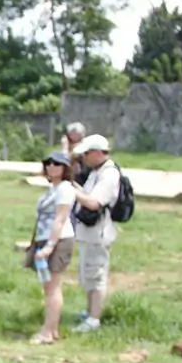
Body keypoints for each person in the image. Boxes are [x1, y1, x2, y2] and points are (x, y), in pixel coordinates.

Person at [70, 133, 121, 333]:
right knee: (87, 273)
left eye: (87, 154)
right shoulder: (96, 171)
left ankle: (94, 318)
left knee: (97, 273)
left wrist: (72, 191)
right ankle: (89, 310)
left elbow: (94, 202)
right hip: (88, 232)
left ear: (98, 153)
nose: (84, 158)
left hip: (98, 232)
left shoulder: (109, 174)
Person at [26, 151, 78, 345]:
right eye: (48, 163)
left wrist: (49, 246)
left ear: (65, 168)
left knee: (52, 287)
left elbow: (60, 218)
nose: (51, 166)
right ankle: (52, 329)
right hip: (45, 238)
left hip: (58, 240)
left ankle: (47, 332)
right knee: (49, 287)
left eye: (57, 163)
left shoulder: (64, 189)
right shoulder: (53, 189)